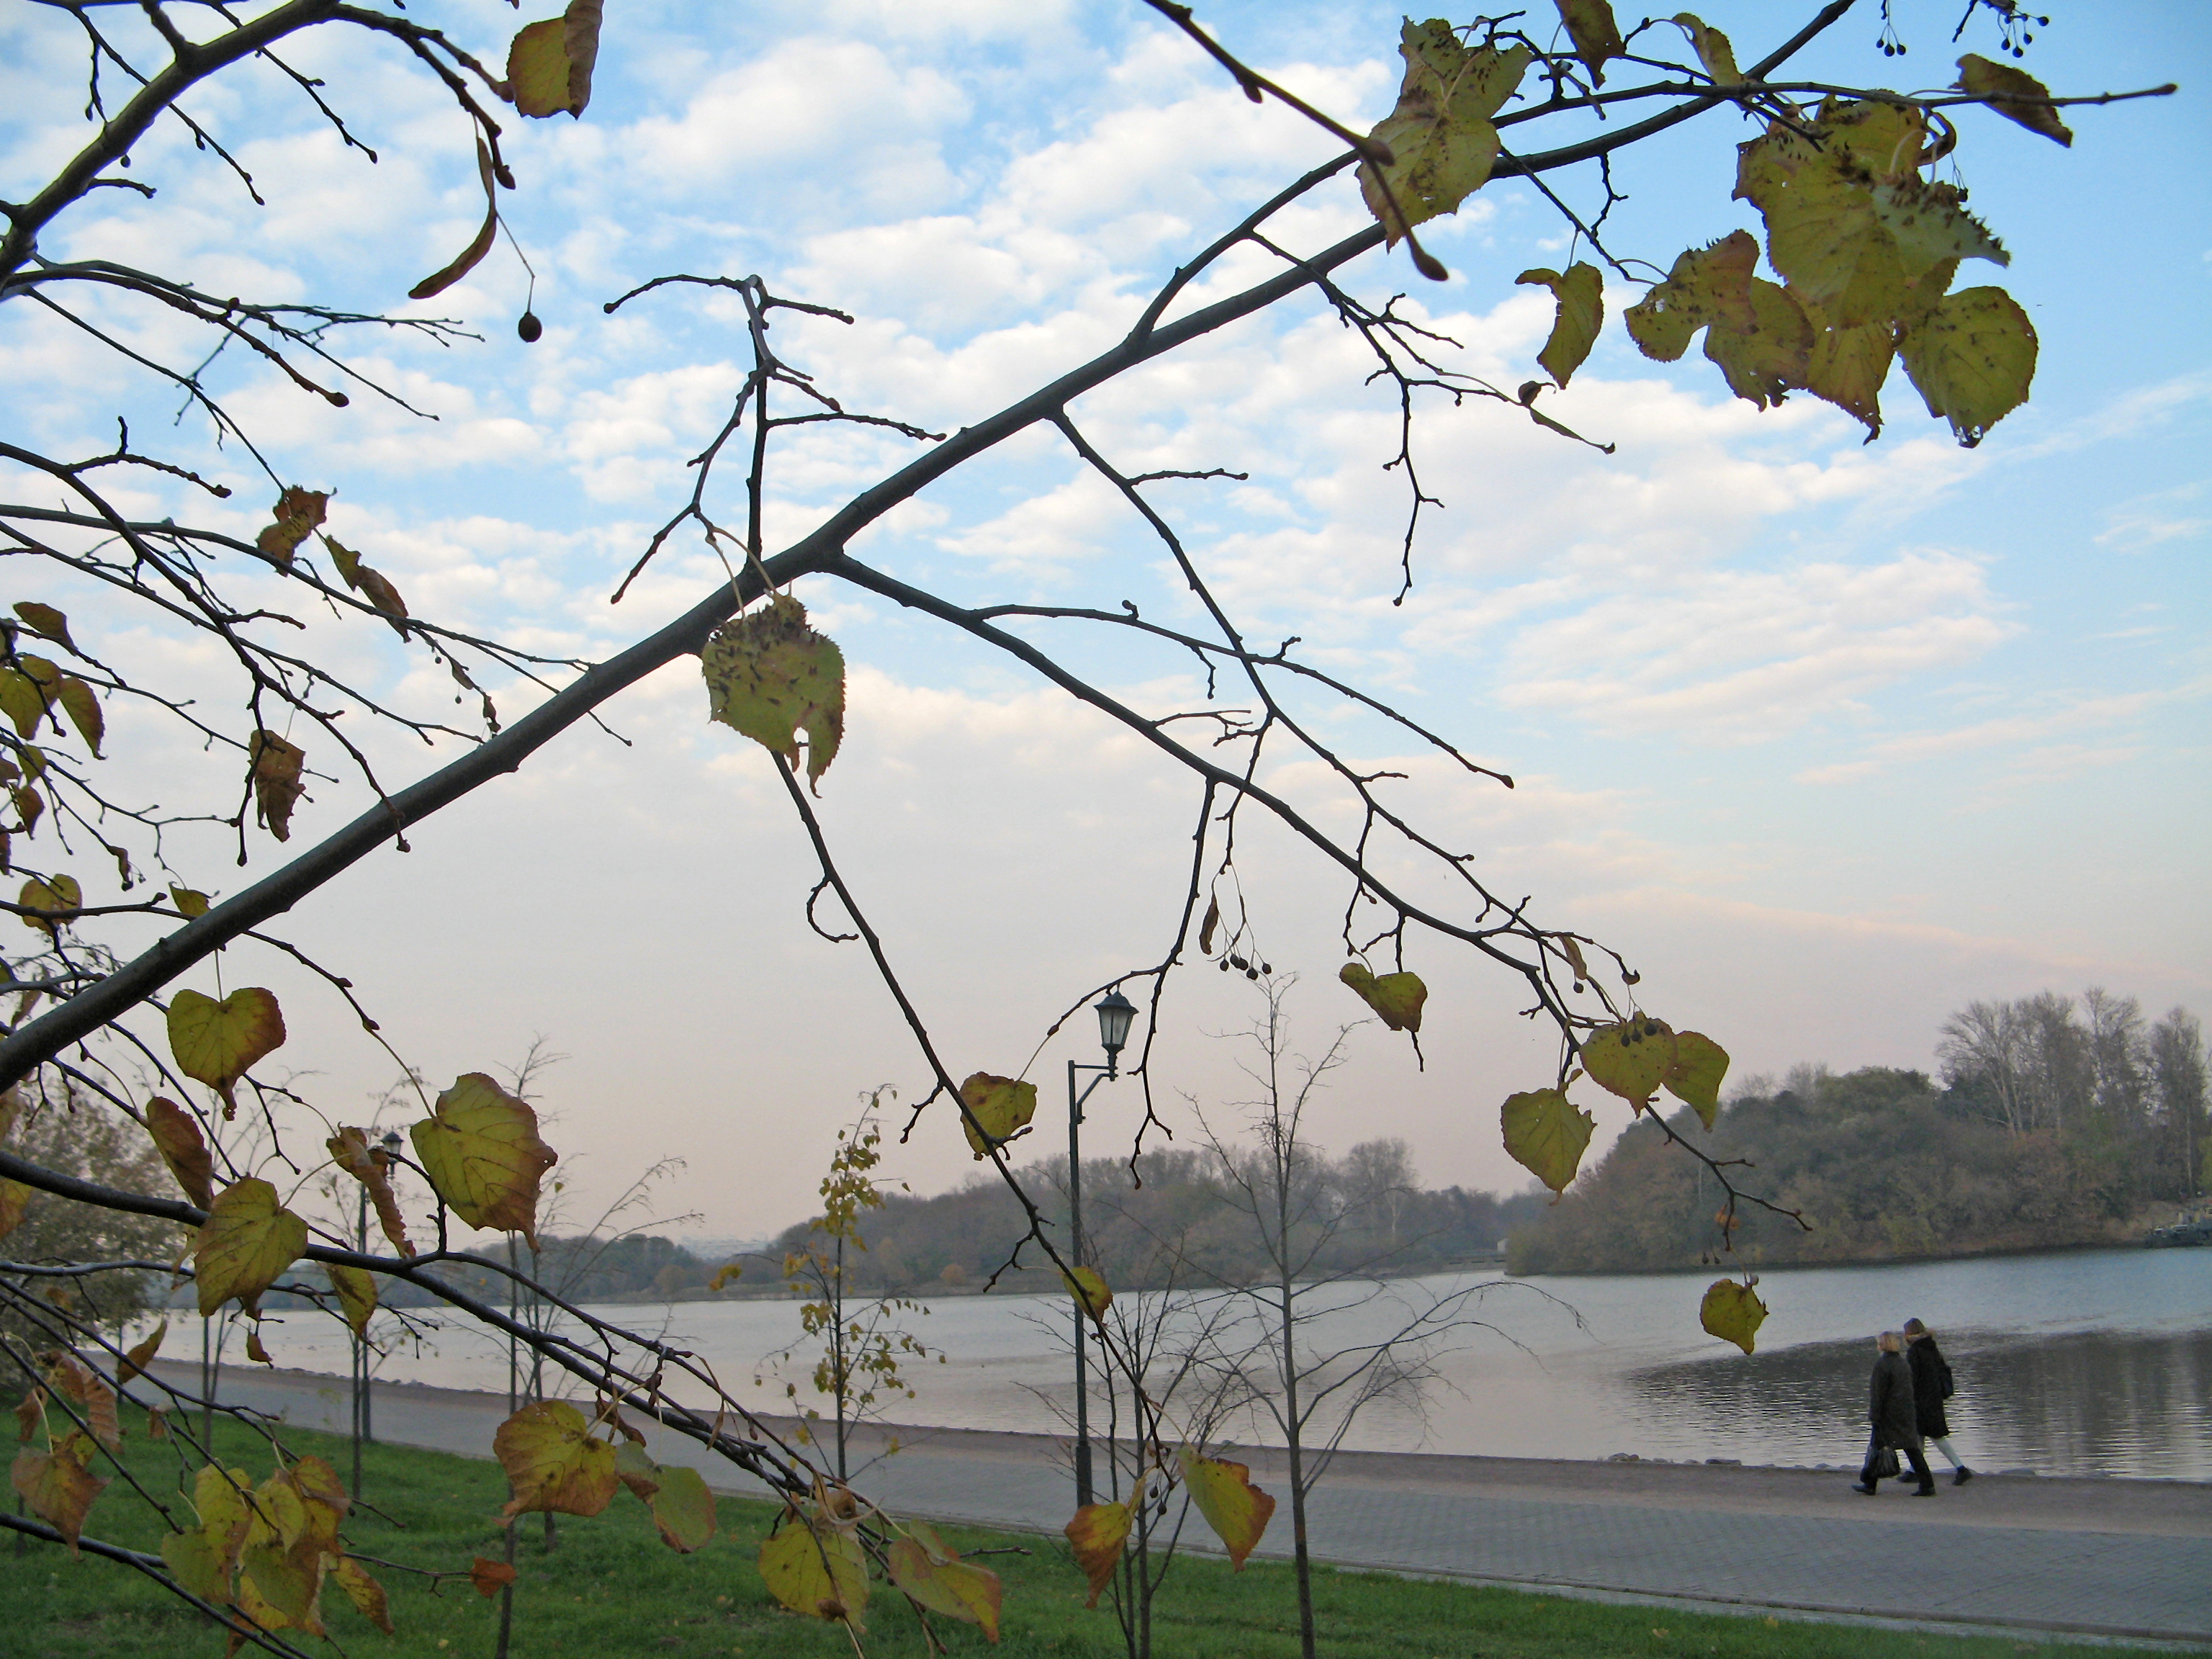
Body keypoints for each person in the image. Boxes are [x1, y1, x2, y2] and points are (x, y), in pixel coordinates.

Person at [1853, 1330, 1936, 1496]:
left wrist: (1874, 1416)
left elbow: (1878, 1394)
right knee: (1912, 1449)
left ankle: (1870, 1484)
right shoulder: (1903, 1363)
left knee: (1876, 1448)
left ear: (1882, 1345)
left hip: (1887, 1415)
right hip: (1906, 1413)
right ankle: (1927, 1484)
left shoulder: (1882, 1365)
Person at [1904, 1317, 1973, 1485]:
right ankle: (1915, 1470)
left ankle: (1961, 1469)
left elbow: (1912, 1379)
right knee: (1921, 1435)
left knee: (1934, 1436)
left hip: (1921, 1399)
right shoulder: (1931, 1348)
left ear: (1909, 1334)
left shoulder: (1914, 1352)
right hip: (1934, 1397)